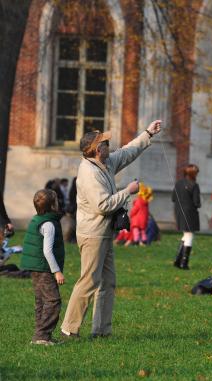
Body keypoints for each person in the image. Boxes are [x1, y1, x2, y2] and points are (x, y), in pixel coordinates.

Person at [60, 120, 162, 339]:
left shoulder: (103, 163)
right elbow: (102, 205)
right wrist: (128, 191)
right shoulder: (89, 173)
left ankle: (101, 330)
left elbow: (127, 153)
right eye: (106, 143)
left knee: (108, 282)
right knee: (89, 281)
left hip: (103, 233)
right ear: (98, 150)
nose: (110, 146)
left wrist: (147, 133)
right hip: (92, 234)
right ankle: (69, 328)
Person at [20, 189, 66, 345]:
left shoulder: (37, 219)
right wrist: (57, 271)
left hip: (36, 267)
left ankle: (42, 336)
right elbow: (47, 250)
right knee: (53, 301)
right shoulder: (49, 224)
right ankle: (41, 336)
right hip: (44, 268)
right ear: (53, 205)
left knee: (41, 301)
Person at [172, 164, 201, 270]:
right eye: (196, 172)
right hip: (190, 213)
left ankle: (177, 260)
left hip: (179, 211)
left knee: (185, 235)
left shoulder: (178, 183)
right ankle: (184, 263)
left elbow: (173, 198)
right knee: (189, 236)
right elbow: (197, 202)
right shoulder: (194, 185)